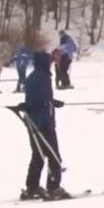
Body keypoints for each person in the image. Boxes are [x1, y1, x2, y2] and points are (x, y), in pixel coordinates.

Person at [18, 51, 69, 200]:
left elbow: (41, 98)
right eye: (49, 61)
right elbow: (37, 102)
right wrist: (45, 105)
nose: (51, 64)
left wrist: (53, 102)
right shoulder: (43, 77)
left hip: (35, 122)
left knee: (38, 155)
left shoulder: (34, 76)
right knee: (54, 156)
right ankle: (53, 187)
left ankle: (32, 186)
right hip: (43, 123)